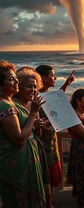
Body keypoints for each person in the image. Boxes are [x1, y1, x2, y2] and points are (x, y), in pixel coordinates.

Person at [0, 61, 46, 207]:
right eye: (11, 79)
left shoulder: (11, 103)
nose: (16, 82)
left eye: (15, 78)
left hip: (28, 161)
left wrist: (35, 120)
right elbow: (19, 138)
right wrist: (33, 113)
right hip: (16, 167)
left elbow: (30, 130)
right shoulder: (4, 105)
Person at [35, 64, 75, 190]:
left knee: (50, 185)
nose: (55, 78)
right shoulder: (35, 96)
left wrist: (67, 83)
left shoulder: (46, 94)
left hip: (51, 144)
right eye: (52, 75)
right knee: (44, 184)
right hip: (42, 146)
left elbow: (57, 98)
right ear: (43, 78)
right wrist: (49, 121)